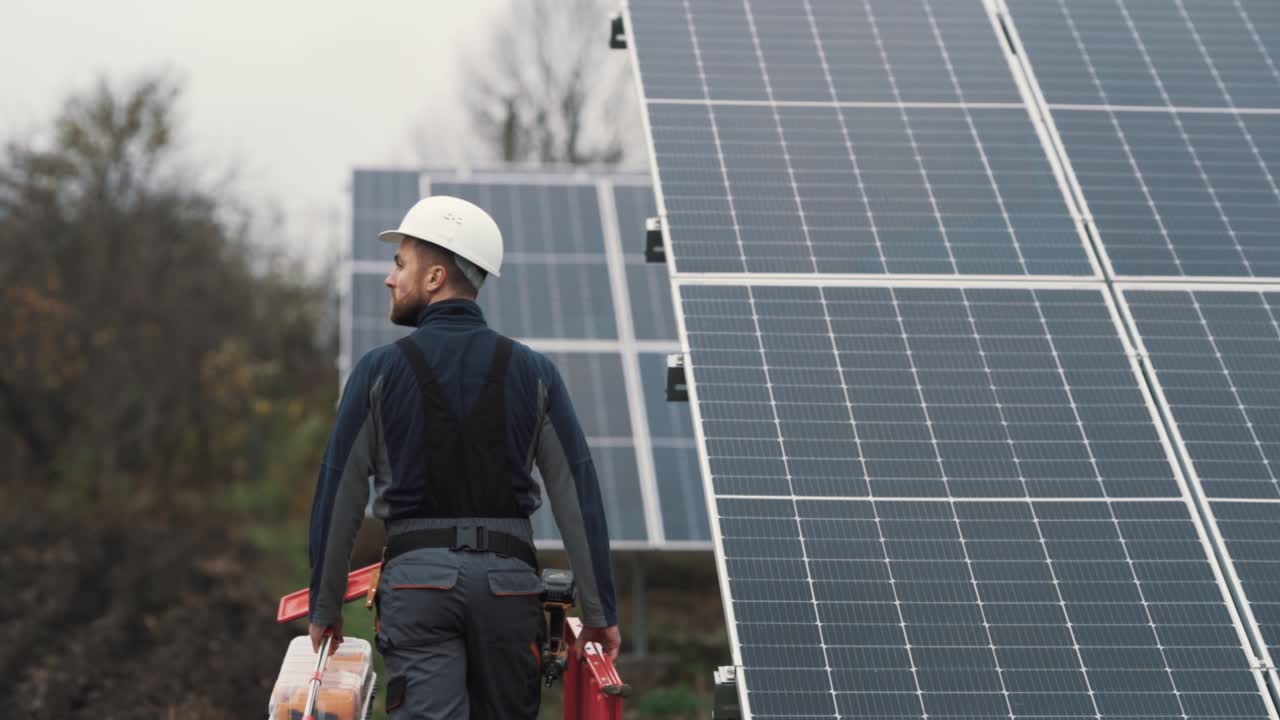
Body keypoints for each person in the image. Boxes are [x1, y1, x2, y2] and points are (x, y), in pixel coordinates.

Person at [306, 195, 620, 719]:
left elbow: (339, 493)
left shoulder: (378, 371)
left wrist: (325, 605)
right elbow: (575, 491)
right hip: (509, 588)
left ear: (434, 278)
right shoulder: (535, 372)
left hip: (417, 588)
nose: (390, 279)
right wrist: (600, 609)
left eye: (400, 264)